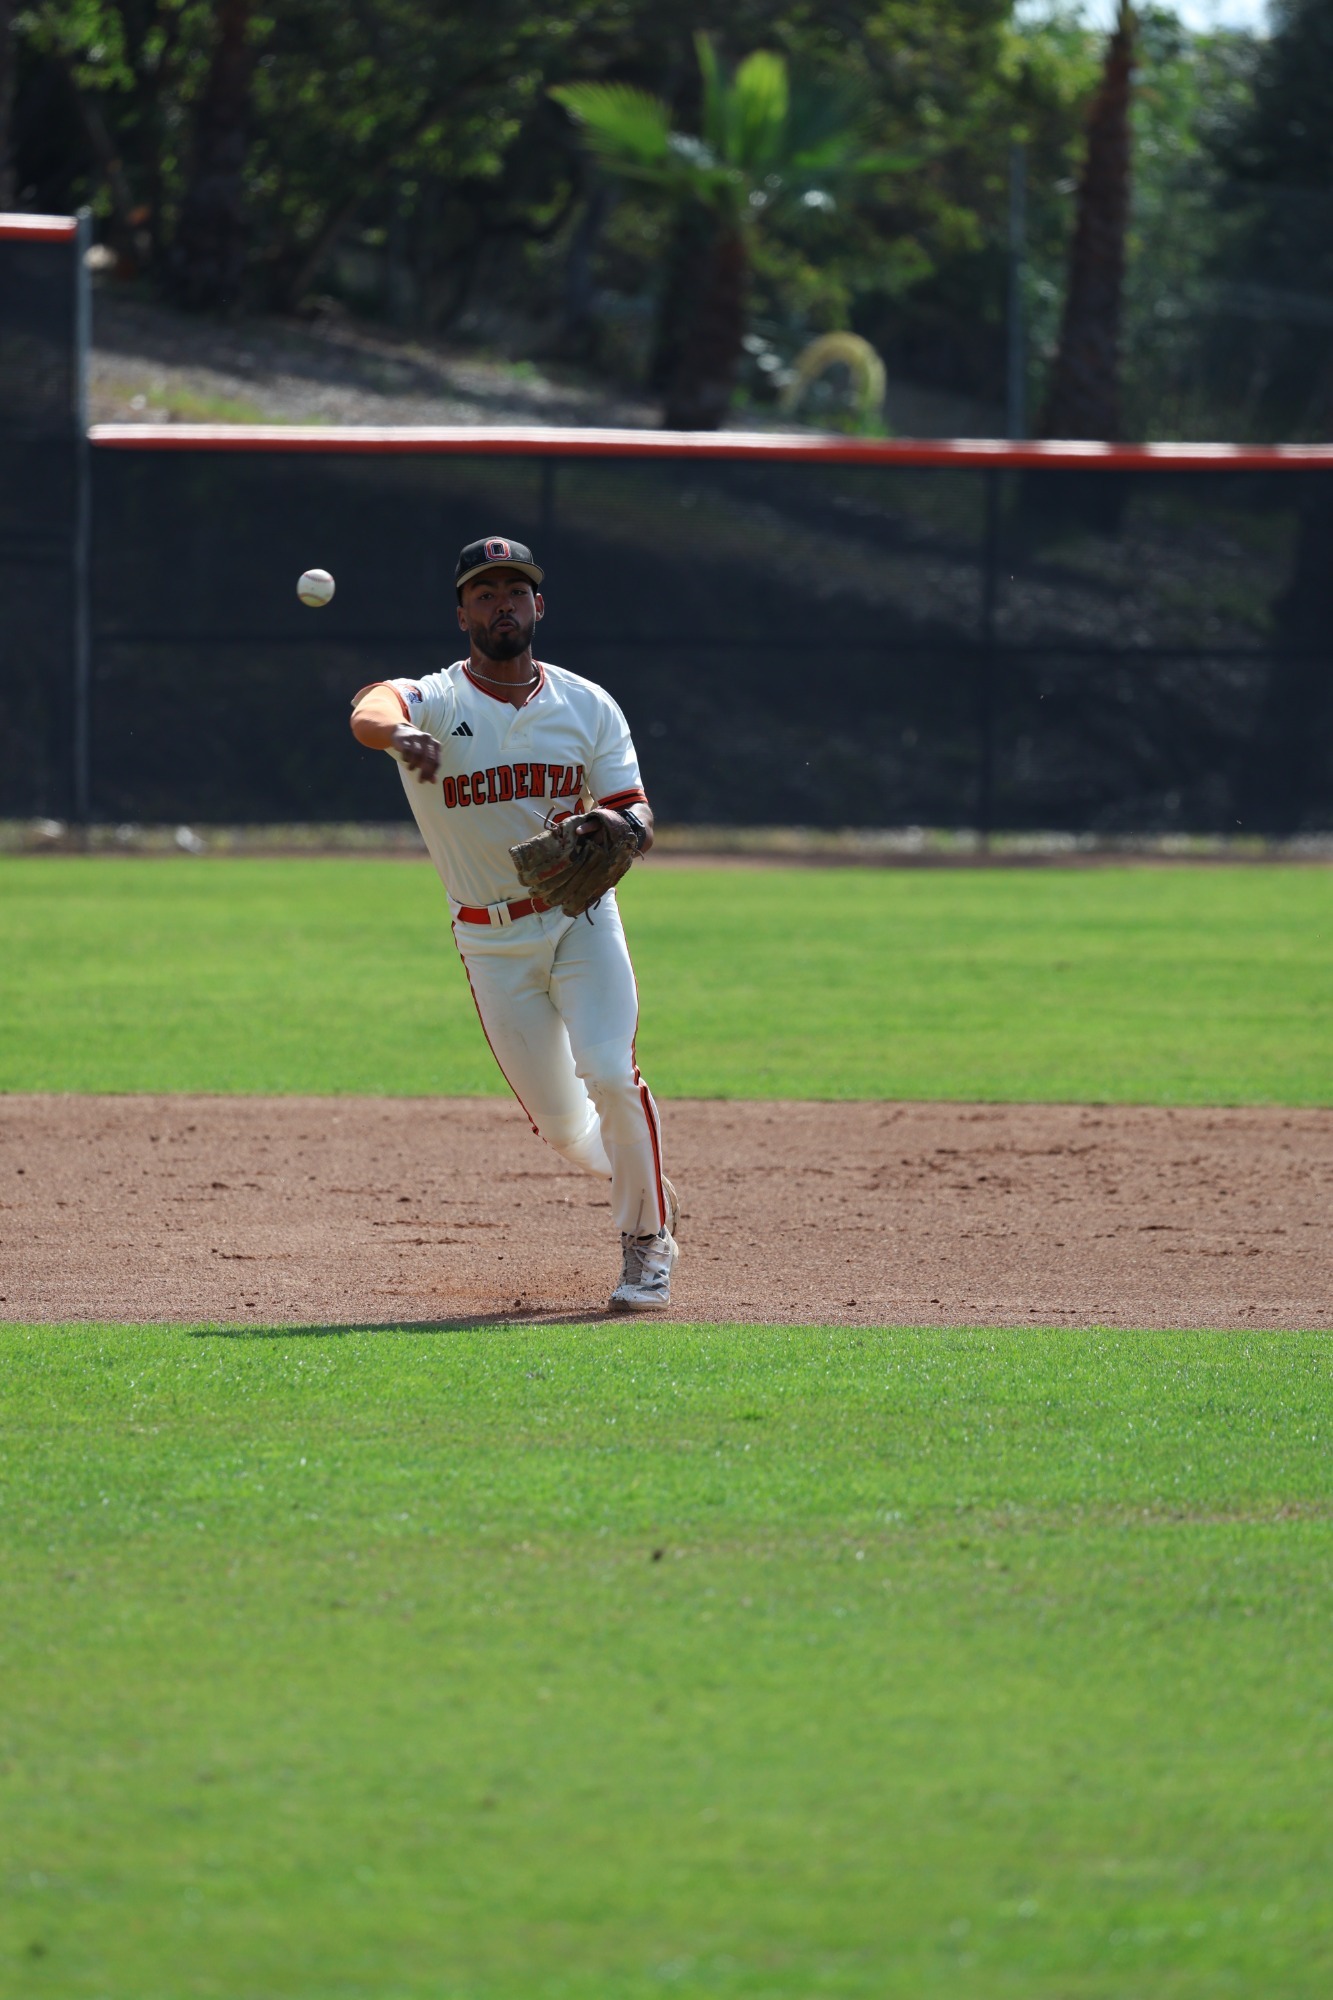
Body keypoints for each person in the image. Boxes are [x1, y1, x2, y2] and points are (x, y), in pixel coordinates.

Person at [349, 535, 678, 1311]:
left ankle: (644, 1244)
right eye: (485, 591)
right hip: (489, 942)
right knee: (566, 1130)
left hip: (579, 917)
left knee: (608, 1071)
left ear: (539, 605)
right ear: (462, 610)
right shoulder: (436, 699)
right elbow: (369, 705)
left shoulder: (586, 703)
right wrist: (398, 735)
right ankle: (649, 1182)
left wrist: (622, 829)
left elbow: (637, 811)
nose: (503, 602)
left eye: (516, 589)